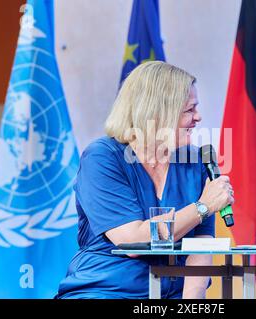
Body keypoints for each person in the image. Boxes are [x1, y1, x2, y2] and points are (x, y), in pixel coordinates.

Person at [56, 61, 234, 299]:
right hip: (105, 290)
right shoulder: (102, 158)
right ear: (158, 113)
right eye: (189, 110)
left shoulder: (196, 162)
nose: (198, 117)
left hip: (171, 295)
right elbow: (132, 240)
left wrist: (193, 302)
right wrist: (203, 207)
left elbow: (201, 246)